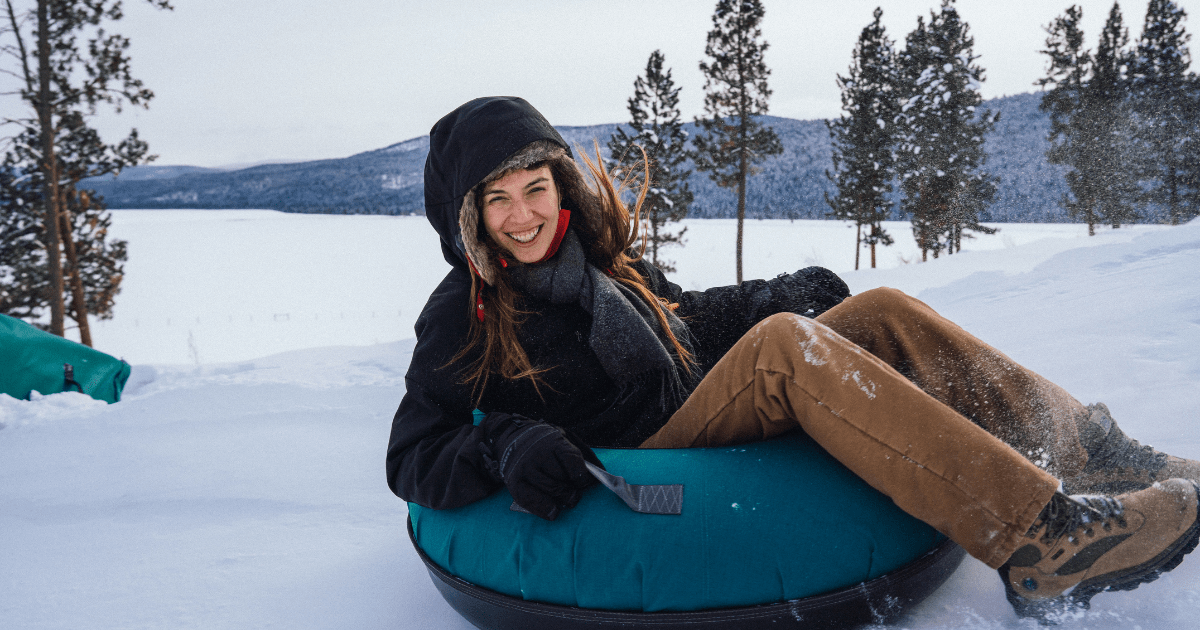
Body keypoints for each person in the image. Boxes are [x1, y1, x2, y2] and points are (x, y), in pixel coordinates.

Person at [386, 96, 1200, 622]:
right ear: (467, 217)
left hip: (694, 403)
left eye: (535, 186)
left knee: (879, 313)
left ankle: (1092, 452)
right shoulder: (463, 313)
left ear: (560, 184)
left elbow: (688, 322)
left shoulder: (600, 264)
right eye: (498, 199)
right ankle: (1045, 543)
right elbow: (413, 451)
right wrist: (503, 443)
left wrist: (782, 290)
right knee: (783, 351)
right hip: (642, 459)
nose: (524, 214)